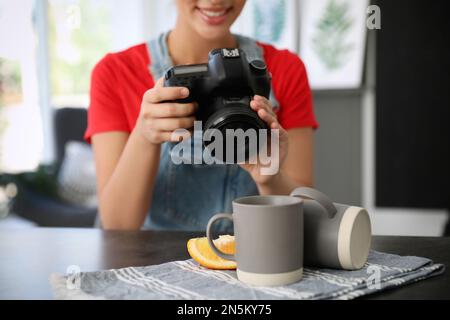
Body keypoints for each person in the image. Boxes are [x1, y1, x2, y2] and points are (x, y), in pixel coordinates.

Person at [85, 0, 318, 231]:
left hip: (250, 257)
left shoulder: (286, 68)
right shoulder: (114, 73)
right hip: (154, 262)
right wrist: (145, 136)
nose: (216, 1)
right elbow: (118, 225)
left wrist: (269, 177)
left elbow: (304, 218)